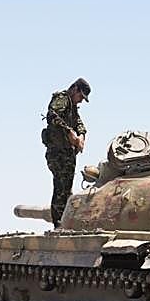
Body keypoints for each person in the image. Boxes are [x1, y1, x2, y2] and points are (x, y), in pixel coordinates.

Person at [43, 77, 91, 227]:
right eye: (80, 96)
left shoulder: (72, 107)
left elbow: (79, 124)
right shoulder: (62, 99)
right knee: (60, 188)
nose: (81, 101)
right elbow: (53, 116)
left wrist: (81, 136)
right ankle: (58, 224)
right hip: (58, 153)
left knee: (66, 189)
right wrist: (70, 133)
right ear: (75, 89)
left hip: (67, 154)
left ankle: (65, 222)